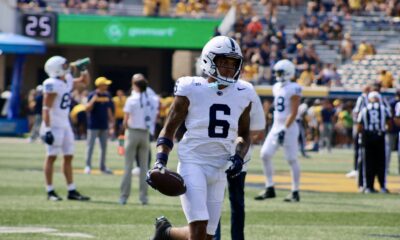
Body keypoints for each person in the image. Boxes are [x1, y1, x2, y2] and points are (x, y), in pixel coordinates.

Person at [149, 36, 254, 240]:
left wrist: (239, 157)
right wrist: (160, 161)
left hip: (220, 167)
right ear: (209, 61)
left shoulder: (244, 92)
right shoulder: (191, 88)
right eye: (223, 62)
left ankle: (166, 233)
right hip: (193, 162)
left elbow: (244, 134)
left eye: (233, 63)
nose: (229, 68)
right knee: (198, 232)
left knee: (206, 236)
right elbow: (169, 129)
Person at [214, 81, 266, 240]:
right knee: (236, 201)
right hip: (239, 153)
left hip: (213, 153)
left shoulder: (206, 86)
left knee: (213, 201)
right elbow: (258, 129)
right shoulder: (247, 89)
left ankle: (213, 237)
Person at [41, 55, 90, 201]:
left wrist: (84, 70)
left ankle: (71, 190)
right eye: (63, 65)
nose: (66, 67)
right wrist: (48, 129)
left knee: (69, 156)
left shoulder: (66, 80)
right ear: (56, 69)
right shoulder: (51, 83)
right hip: (54, 124)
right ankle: (50, 190)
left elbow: (84, 82)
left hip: (65, 123)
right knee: (51, 157)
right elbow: (45, 108)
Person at [255, 59, 302, 202]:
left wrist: (284, 129)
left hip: (289, 127)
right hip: (276, 126)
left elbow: (293, 113)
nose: (277, 75)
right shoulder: (276, 87)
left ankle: (295, 191)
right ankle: (270, 187)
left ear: (288, 72)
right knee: (264, 154)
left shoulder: (294, 87)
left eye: (280, 72)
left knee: (291, 159)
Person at [119, 74, 158, 205]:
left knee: (128, 166)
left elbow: (125, 120)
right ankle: (143, 197)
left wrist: (123, 132)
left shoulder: (131, 99)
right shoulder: (150, 99)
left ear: (135, 86)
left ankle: (124, 196)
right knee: (144, 168)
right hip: (145, 133)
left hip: (133, 132)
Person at [357, 91, 391, 193]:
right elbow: (389, 123)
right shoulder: (384, 109)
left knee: (368, 163)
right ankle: (382, 186)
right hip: (380, 136)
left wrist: (362, 136)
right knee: (381, 163)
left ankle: (368, 187)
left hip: (368, 136)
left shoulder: (364, 109)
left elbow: (359, 125)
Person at [84, 77, 114, 174]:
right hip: (93, 125)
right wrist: (93, 100)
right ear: (100, 85)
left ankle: (103, 167)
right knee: (90, 146)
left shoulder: (107, 95)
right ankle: (88, 166)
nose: (106, 86)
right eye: (105, 84)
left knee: (104, 148)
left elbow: (109, 110)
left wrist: (112, 123)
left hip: (104, 125)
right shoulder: (92, 95)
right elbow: (87, 109)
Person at [346, 85, 370, 178]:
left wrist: (356, 123)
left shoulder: (362, 98)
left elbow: (356, 112)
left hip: (361, 126)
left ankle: (357, 169)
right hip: (369, 128)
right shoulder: (376, 99)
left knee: (358, 148)